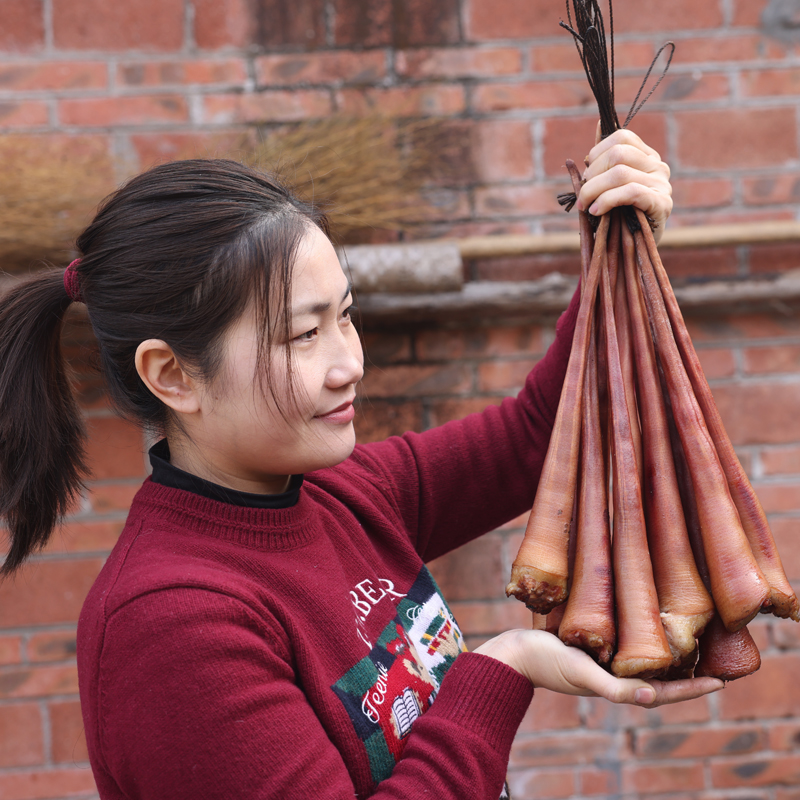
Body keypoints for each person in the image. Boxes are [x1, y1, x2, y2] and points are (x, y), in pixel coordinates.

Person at [0, 128, 722, 800]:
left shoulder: (345, 493)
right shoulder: (170, 627)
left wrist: (617, 258)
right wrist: (502, 669)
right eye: (303, 334)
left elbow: (542, 433)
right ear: (173, 376)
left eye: (345, 315)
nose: (348, 364)